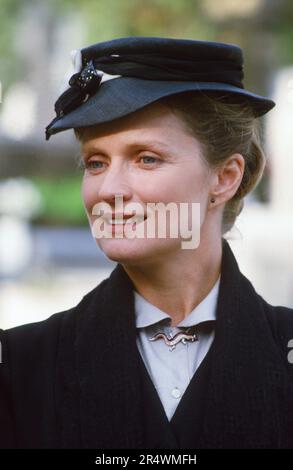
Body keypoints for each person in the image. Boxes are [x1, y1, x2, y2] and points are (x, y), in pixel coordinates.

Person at [1, 36, 293, 449]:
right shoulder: (19, 365)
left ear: (224, 177)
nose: (110, 189)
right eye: (96, 163)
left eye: (146, 158)